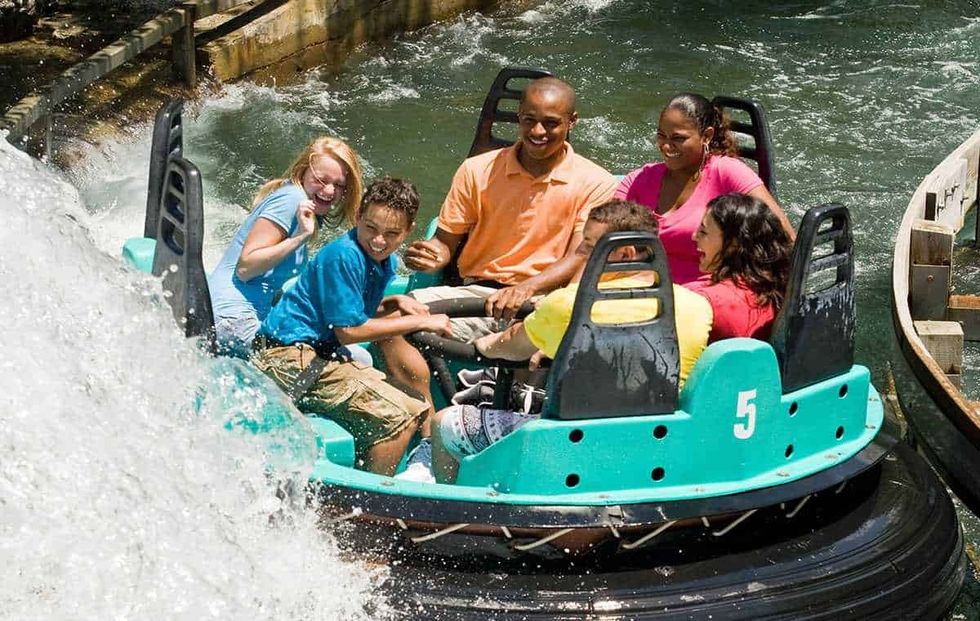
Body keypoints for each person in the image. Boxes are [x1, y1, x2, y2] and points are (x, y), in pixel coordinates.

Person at [381, 76, 618, 422]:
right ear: (518, 117)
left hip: (542, 301)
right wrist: (431, 253)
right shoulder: (477, 170)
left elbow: (579, 257)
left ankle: (508, 409)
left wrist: (526, 289)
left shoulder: (595, 182)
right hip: (476, 295)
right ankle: (430, 421)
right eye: (529, 120)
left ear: (572, 122)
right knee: (387, 318)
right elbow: (445, 243)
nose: (538, 131)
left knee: (548, 353)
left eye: (551, 123)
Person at [427, 200, 713, 484]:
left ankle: (450, 509)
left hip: (569, 445)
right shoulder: (696, 306)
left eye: (589, 246)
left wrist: (482, 342)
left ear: (624, 252)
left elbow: (503, 348)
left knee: (444, 424)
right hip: (652, 444)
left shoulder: (567, 305)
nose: (581, 254)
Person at [251, 177, 452, 476]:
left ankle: (373, 466)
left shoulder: (384, 261)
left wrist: (393, 302)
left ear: (408, 231)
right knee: (402, 415)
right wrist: (422, 320)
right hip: (288, 359)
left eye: (392, 233)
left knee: (412, 401)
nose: (379, 241)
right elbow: (349, 331)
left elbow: (353, 313)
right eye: (370, 227)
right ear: (358, 215)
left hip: (316, 355)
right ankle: (371, 502)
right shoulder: (344, 255)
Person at [614, 93, 793, 285]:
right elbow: (603, 234)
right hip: (641, 287)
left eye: (678, 138)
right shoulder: (640, 178)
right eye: (661, 135)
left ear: (706, 136)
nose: (666, 146)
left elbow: (786, 237)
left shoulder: (727, 172)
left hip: (706, 295)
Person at [208, 136, 364, 357]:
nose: (329, 191)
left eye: (339, 185)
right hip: (232, 318)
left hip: (243, 313)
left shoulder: (299, 200)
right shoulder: (291, 200)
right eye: (321, 180)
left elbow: (267, 281)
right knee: (355, 358)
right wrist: (300, 236)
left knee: (344, 350)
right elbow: (246, 269)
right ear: (303, 173)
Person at [685, 192, 792, 342]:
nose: (694, 236)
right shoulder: (779, 290)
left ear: (733, 244)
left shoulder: (703, 301)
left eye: (703, 231)